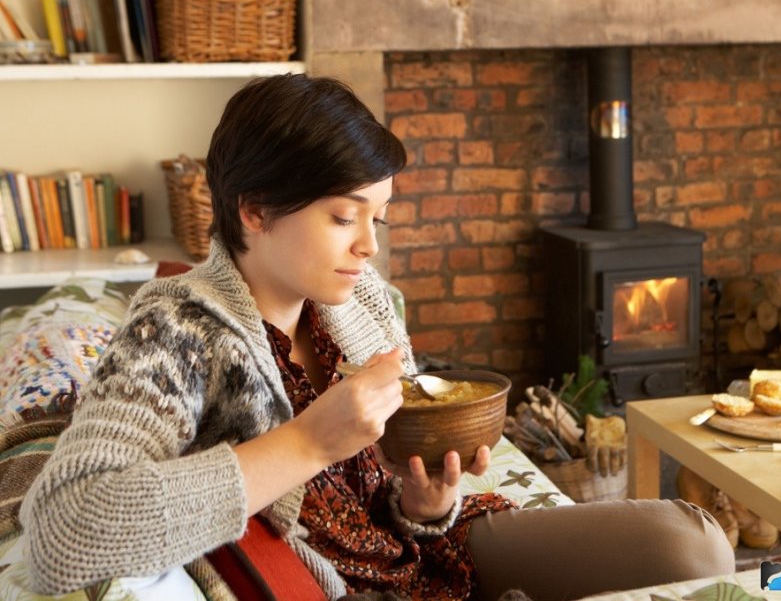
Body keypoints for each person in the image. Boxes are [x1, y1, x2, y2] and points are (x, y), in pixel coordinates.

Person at [21, 74, 734, 601]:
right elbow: (61, 531)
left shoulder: (359, 300)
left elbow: (402, 486)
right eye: (343, 216)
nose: (367, 247)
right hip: (352, 586)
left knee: (692, 542)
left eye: (378, 220)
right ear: (255, 210)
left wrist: (427, 503)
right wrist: (306, 443)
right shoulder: (172, 330)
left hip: (432, 549)